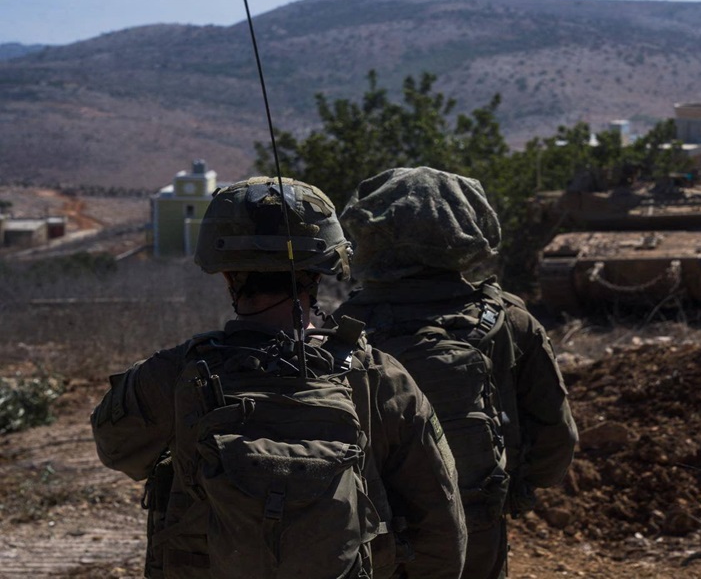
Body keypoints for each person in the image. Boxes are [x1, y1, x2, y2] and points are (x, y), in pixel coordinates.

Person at [90, 176, 466, 579]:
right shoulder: (382, 378)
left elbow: (116, 450)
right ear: (322, 270)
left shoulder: (174, 372)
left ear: (226, 273)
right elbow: (441, 529)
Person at [334, 167, 579, 579]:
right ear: (466, 227)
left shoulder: (342, 328)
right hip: (478, 520)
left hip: (375, 533)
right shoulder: (509, 322)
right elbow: (557, 436)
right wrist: (514, 494)